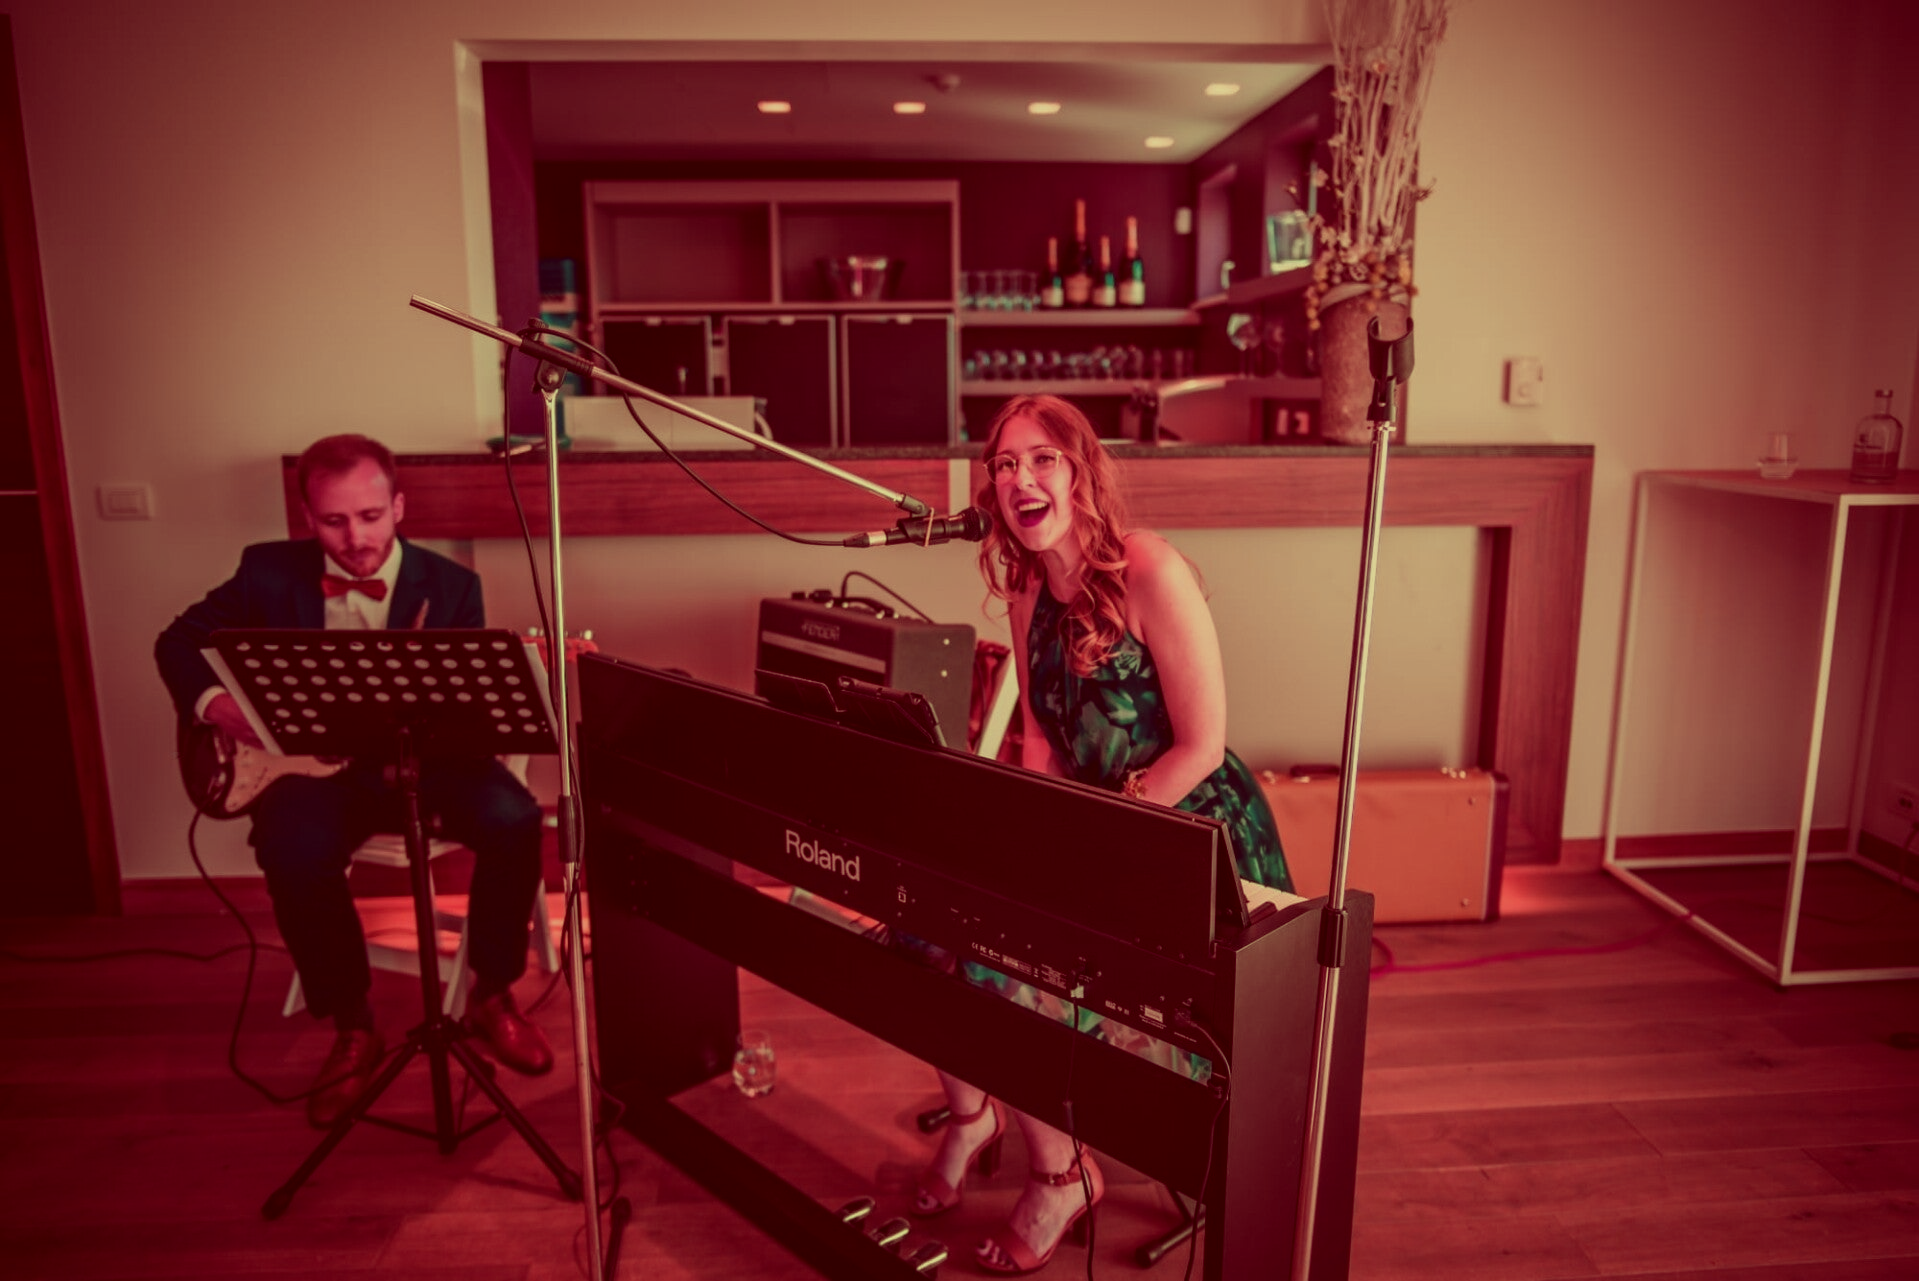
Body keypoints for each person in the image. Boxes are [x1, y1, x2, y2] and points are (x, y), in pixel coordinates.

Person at [912, 394, 1292, 1275]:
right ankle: (978, 1122)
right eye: (1005, 464)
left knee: (999, 969)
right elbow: (1041, 742)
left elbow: (1201, 746)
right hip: (1091, 830)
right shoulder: (1025, 589)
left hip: (1190, 838)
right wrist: (1026, 840)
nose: (1020, 478)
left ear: (1080, 471)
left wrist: (1095, 843)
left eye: (1041, 458)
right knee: (927, 927)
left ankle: (1061, 1176)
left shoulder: (1149, 566)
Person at [155, 434, 553, 1128]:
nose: (356, 538)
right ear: (308, 517)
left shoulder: (452, 585)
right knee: (289, 844)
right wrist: (216, 706)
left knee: (516, 818)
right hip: (317, 774)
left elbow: (466, 714)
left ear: (397, 506)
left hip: (427, 765)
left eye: (370, 516)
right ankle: (352, 1022)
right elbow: (176, 642)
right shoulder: (265, 572)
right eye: (335, 521)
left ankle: (491, 993)